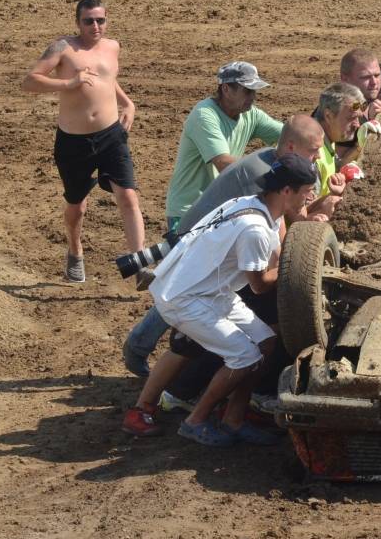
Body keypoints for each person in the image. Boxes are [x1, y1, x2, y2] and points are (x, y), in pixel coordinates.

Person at [121, 155, 317, 446]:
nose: (310, 197)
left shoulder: (255, 204)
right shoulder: (255, 228)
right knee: (244, 357)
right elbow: (261, 285)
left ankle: (233, 418)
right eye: (306, 191)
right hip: (186, 298)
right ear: (286, 191)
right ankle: (195, 421)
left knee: (265, 343)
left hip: (208, 290)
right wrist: (298, 265)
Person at [121, 115, 325, 377]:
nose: (318, 156)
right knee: (181, 291)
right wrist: (289, 265)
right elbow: (276, 229)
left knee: (181, 291)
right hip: (199, 235)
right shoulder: (261, 174)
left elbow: (281, 220)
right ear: (292, 148)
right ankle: (139, 346)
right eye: (314, 150)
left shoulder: (272, 161)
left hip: (216, 232)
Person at [21, 0, 145, 283]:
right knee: (77, 205)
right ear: (77, 22)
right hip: (74, 142)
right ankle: (75, 251)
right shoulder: (64, 48)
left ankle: (140, 264)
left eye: (100, 20)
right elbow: (29, 81)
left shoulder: (113, 47)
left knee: (127, 196)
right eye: (89, 21)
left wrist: (128, 103)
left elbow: (107, 79)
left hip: (111, 135)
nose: (95, 26)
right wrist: (69, 83)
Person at [165, 61, 283, 234]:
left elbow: (288, 134)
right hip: (189, 212)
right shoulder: (204, 115)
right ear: (226, 89)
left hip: (222, 209)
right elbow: (224, 164)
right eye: (247, 91)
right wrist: (275, 176)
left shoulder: (250, 114)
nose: (253, 97)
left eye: (254, 91)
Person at [314, 82, 365, 199]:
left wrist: (358, 147)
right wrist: (334, 196)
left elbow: (335, 166)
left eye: (358, 118)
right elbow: (300, 213)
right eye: (351, 118)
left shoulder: (326, 138)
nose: (357, 125)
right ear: (328, 116)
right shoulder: (311, 153)